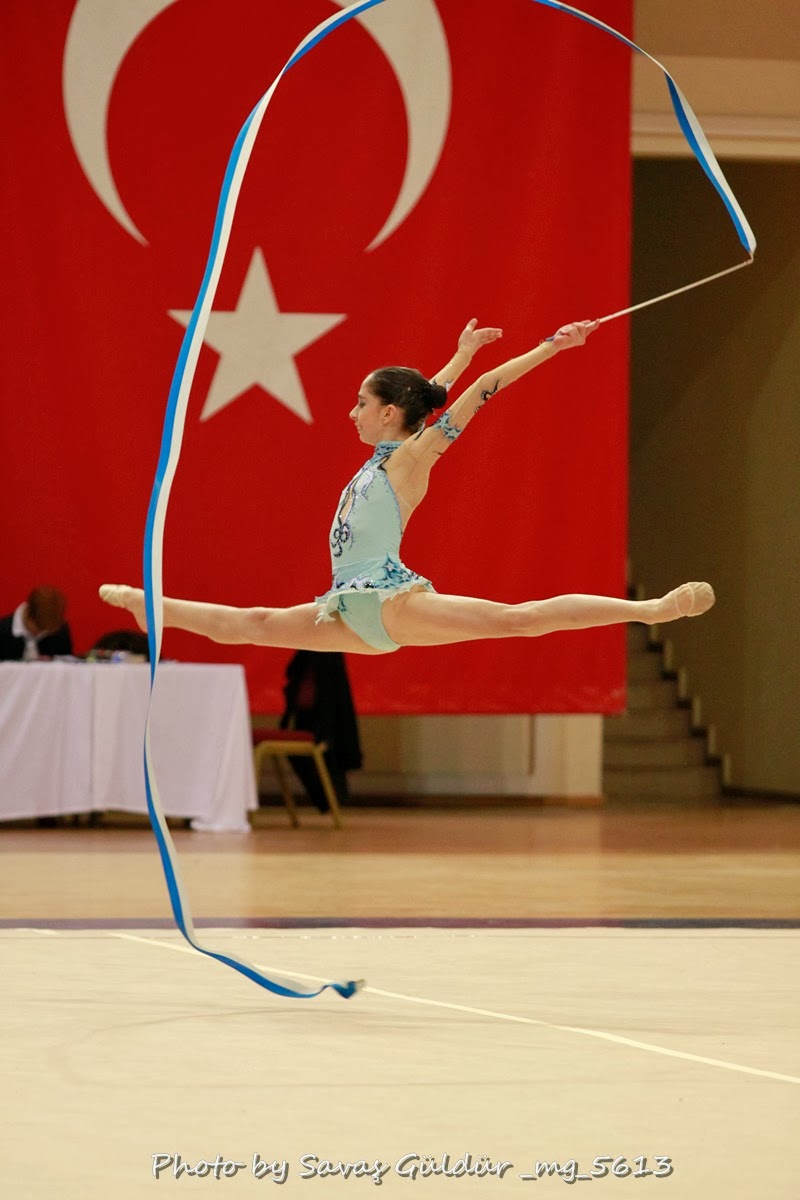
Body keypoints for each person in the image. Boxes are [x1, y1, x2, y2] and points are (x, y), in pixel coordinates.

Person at [99, 318, 714, 653]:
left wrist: (550, 347)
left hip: (393, 603)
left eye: (361, 403)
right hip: (346, 608)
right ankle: (156, 610)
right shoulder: (388, 453)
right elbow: (430, 393)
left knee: (515, 621)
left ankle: (650, 609)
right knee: (257, 623)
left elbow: (481, 393)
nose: (352, 413)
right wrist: (460, 355)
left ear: (388, 412)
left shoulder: (412, 460)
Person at [0, 585, 73, 661]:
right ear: (27, 615)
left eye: (47, 631)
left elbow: (67, 663)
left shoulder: (60, 631)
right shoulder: (3, 631)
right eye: (39, 628)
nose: (42, 632)